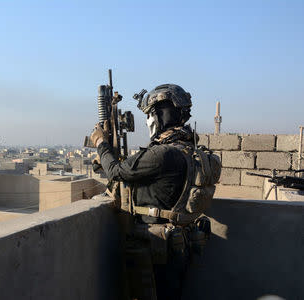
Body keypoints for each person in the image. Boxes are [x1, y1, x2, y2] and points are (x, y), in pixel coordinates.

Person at [89, 84, 219, 300]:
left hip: (158, 249)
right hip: (179, 244)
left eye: (150, 114)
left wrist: (101, 142)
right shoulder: (188, 151)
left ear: (160, 116)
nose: (149, 121)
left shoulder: (163, 154)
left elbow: (115, 171)